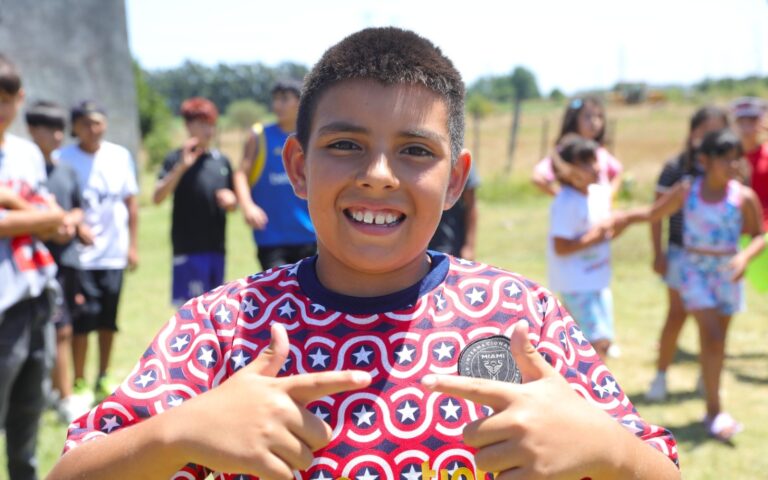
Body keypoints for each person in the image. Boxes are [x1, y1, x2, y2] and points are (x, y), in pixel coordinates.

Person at [49, 28, 679, 480]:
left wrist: (607, 450)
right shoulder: (222, 327)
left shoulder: (520, 318)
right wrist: (179, 432)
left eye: (416, 151)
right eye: (346, 145)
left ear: (456, 181)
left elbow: (659, 467)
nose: (379, 175)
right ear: (298, 167)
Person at [621, 128, 765, 441]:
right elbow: (654, 212)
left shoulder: (743, 197)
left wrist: (744, 259)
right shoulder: (687, 191)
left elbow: (759, 237)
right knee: (712, 336)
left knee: (717, 342)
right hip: (694, 273)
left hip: (727, 274)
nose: (732, 165)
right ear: (704, 160)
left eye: (736, 159)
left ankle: (712, 409)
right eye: (724, 159)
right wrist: (620, 219)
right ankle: (716, 411)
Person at [0, 54, 65, 480]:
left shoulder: (26, 154)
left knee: (29, 408)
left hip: (37, 294)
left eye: (5, 99)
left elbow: (54, 219)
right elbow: (50, 217)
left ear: (20, 98)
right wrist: (43, 217)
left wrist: (11, 203)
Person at [645, 106, 729, 402]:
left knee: (715, 322)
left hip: (718, 259)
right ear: (693, 133)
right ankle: (660, 375)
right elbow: (656, 214)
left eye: (717, 131)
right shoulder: (675, 168)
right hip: (681, 254)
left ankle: (708, 377)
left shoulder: (727, 169)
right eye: (706, 131)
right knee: (677, 314)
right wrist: (658, 253)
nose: (711, 137)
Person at [58, 100, 139, 404]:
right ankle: (78, 380)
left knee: (108, 320)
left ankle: (103, 377)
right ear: (75, 127)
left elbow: (131, 203)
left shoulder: (119, 156)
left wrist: (132, 245)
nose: (93, 129)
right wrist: (77, 227)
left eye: (98, 123)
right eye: (86, 124)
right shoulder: (64, 158)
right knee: (82, 321)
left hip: (113, 254)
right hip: (79, 257)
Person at [25, 100, 95, 423]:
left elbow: (78, 207)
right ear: (31, 130)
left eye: (59, 129)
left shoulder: (66, 170)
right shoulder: (25, 172)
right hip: (33, 265)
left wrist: (70, 222)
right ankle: (55, 395)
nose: (56, 135)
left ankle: (62, 395)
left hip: (66, 263)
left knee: (64, 329)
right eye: (47, 128)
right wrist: (51, 226)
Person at [546, 134, 626, 361]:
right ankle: (593, 384)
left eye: (595, 160)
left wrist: (618, 226)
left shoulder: (598, 194)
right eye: (587, 162)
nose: (597, 167)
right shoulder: (566, 203)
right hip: (577, 283)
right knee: (595, 344)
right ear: (568, 171)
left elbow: (605, 234)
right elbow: (561, 246)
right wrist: (595, 235)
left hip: (598, 280)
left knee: (600, 342)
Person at [153, 97, 237, 305]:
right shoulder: (175, 159)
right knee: (191, 313)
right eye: (202, 124)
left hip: (216, 248)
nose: (208, 130)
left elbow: (234, 202)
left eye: (211, 124)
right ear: (188, 125)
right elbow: (157, 197)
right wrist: (181, 167)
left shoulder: (221, 161)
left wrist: (231, 201)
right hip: (188, 249)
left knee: (215, 309)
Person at [233, 79, 316, 270]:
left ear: (301, 102)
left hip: (310, 234)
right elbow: (241, 175)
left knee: (308, 289)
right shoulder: (259, 136)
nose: (277, 105)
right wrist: (248, 206)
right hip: (271, 236)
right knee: (279, 287)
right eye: (275, 99)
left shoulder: (312, 136)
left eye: (284, 99)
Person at [531, 96, 623, 198]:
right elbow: (538, 177)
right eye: (587, 116)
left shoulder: (600, 151)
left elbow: (617, 172)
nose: (594, 121)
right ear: (574, 119)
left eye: (599, 116)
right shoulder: (565, 152)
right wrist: (562, 196)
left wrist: (609, 195)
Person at [731, 97, 768, 292]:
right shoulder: (727, 159)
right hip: (737, 234)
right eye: (742, 121)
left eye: (752, 120)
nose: (747, 127)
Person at [429, 163, 479, 259]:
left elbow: (471, 206)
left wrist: (469, 246)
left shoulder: (462, 163)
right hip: (424, 245)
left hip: (452, 244)